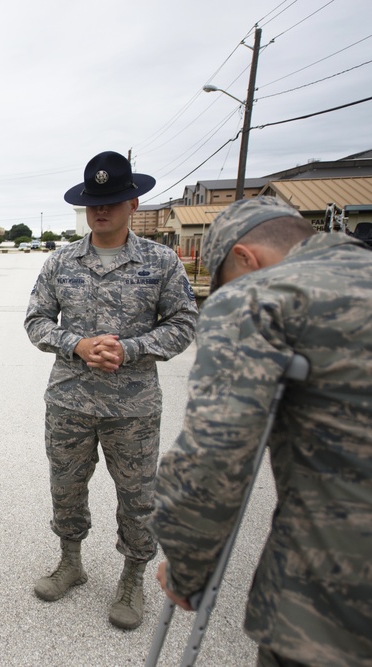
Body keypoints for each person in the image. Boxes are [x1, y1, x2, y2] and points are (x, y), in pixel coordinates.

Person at [153, 197, 372, 667]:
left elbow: (214, 455)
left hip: (335, 609)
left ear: (245, 258)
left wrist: (187, 566)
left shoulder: (261, 296)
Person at [23, 151, 198, 630]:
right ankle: (71, 562)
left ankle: (132, 578)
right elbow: (36, 322)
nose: (102, 210)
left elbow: (184, 322)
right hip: (70, 402)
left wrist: (133, 349)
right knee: (66, 487)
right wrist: (76, 344)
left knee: (138, 495)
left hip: (133, 407)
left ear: (133, 202)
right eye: (93, 202)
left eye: (112, 200)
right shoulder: (61, 262)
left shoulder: (160, 262)